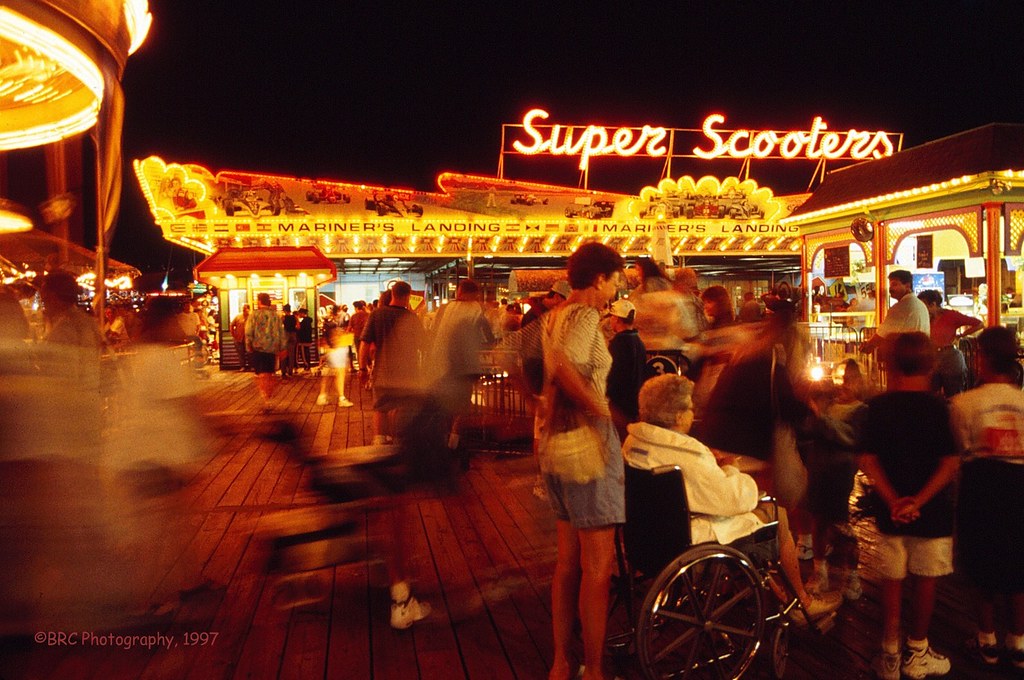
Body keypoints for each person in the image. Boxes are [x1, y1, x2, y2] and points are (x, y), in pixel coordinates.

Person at [622, 374, 842, 618]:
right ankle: (801, 602)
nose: (693, 413)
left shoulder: (635, 443)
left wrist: (712, 466)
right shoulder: (686, 453)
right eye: (690, 408)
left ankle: (772, 589)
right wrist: (731, 467)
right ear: (678, 416)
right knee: (776, 511)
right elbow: (733, 500)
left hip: (648, 536)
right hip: (685, 540)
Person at [539, 242, 624, 680]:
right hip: (587, 442)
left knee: (567, 562)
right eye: (616, 280)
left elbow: (545, 372)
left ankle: (561, 661)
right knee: (598, 568)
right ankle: (594, 671)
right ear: (599, 278)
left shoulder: (552, 316)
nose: (617, 289)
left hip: (556, 441)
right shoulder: (585, 315)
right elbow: (563, 368)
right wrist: (600, 409)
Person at [858, 332, 959, 680]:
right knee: (926, 578)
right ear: (931, 365)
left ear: (891, 365)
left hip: (891, 512)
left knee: (893, 579)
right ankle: (917, 651)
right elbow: (949, 463)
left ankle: (890, 652)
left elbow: (868, 459)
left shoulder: (879, 407)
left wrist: (893, 501)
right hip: (932, 511)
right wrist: (919, 500)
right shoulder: (939, 408)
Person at [950, 326, 1024, 670]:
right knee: (1019, 563)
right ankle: (1019, 642)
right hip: (1019, 487)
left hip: (980, 488)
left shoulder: (964, 403)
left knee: (980, 565)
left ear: (983, 358)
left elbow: (961, 450)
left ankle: (987, 639)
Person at [803, 359, 869, 601]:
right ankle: (820, 572)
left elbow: (848, 436)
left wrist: (820, 417)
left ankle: (852, 575)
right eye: (839, 378)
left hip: (839, 476)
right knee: (818, 522)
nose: (843, 384)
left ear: (859, 382)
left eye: (848, 379)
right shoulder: (829, 406)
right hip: (818, 472)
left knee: (841, 526)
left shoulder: (861, 411)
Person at [427, 279, 494, 465]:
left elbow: (433, 332)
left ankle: (443, 442)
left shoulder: (444, 309)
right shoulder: (477, 310)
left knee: (444, 404)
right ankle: (454, 442)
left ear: (460, 291)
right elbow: (488, 336)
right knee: (463, 406)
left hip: (441, 364)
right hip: (466, 367)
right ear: (475, 294)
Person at [359, 282, 427, 445]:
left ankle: (379, 442)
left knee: (380, 408)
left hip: (383, 371)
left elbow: (364, 344)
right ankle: (395, 441)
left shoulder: (377, 314)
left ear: (392, 293)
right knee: (400, 407)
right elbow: (424, 345)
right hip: (407, 373)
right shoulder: (411, 317)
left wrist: (362, 368)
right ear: (408, 296)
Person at [917, 289, 982, 397]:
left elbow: (979, 324)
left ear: (933, 304)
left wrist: (961, 335)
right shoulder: (925, 318)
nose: (921, 310)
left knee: (953, 394)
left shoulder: (951, 315)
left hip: (949, 356)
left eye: (924, 306)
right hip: (931, 356)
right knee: (928, 393)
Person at [861, 270, 930, 358]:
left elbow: (883, 333)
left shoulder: (902, 306)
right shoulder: (919, 304)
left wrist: (868, 346)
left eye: (895, 284)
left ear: (907, 286)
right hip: (921, 356)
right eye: (890, 285)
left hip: (906, 357)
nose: (891, 289)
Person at [604, 299, 645, 441]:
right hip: (634, 402)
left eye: (611, 317)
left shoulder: (619, 343)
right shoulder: (637, 340)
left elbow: (614, 375)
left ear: (616, 319)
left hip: (620, 405)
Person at [245, 293, 287, 410]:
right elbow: (281, 332)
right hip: (272, 349)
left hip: (257, 348)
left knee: (260, 374)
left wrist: (248, 346)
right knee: (269, 374)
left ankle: (264, 397)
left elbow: (248, 331)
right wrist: (283, 348)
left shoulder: (254, 315)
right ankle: (268, 397)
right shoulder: (275, 316)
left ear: (259, 301)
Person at [316, 324, 354, 407]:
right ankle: (341, 398)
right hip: (337, 351)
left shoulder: (330, 328)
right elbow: (336, 339)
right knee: (340, 375)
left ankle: (322, 396)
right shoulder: (336, 329)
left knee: (329, 375)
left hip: (332, 351)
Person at [348, 300, 369, 370]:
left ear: (356, 307)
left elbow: (349, 328)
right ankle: (369, 366)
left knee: (359, 352)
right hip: (366, 336)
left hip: (357, 336)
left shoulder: (353, 316)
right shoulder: (367, 314)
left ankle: (362, 368)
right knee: (367, 351)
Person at [230, 304, 251, 370]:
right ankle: (243, 366)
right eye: (243, 309)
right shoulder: (238, 316)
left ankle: (251, 366)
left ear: (249, 309)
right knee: (241, 353)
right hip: (239, 338)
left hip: (249, 338)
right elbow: (232, 325)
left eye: (245, 309)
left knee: (250, 353)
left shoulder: (251, 317)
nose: (244, 310)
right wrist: (233, 334)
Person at [280, 304, 298, 378]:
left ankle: (283, 372)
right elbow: (298, 326)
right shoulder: (295, 317)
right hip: (293, 335)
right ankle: (290, 371)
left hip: (285, 335)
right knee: (291, 354)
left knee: (284, 354)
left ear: (284, 310)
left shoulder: (283, 317)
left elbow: (279, 326)